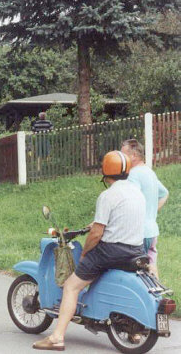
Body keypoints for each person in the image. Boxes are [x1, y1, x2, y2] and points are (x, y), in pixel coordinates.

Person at [33, 151, 145, 351]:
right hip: (136, 250)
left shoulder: (108, 195)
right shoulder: (137, 192)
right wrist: (94, 224)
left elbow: (97, 234)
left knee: (71, 286)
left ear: (105, 170)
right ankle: (132, 329)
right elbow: (120, 219)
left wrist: (85, 254)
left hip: (110, 252)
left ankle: (57, 337)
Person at [121, 139, 169, 278]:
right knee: (151, 270)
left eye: (123, 154)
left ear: (134, 156)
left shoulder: (133, 175)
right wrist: (151, 212)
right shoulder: (149, 172)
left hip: (138, 233)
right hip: (152, 232)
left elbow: (130, 201)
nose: (121, 158)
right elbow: (164, 193)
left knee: (135, 275)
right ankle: (158, 292)